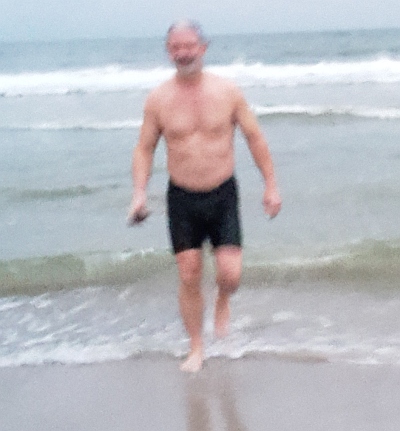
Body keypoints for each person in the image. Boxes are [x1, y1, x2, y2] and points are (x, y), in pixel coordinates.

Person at [128, 20, 282, 372]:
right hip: (182, 198)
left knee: (230, 274)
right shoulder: (158, 99)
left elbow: (254, 137)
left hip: (222, 194)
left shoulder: (227, 92)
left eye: (189, 46)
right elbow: (144, 148)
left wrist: (271, 185)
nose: (183, 53)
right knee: (189, 274)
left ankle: (223, 301)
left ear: (203, 48)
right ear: (168, 52)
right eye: (175, 47)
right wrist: (139, 193)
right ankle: (196, 347)